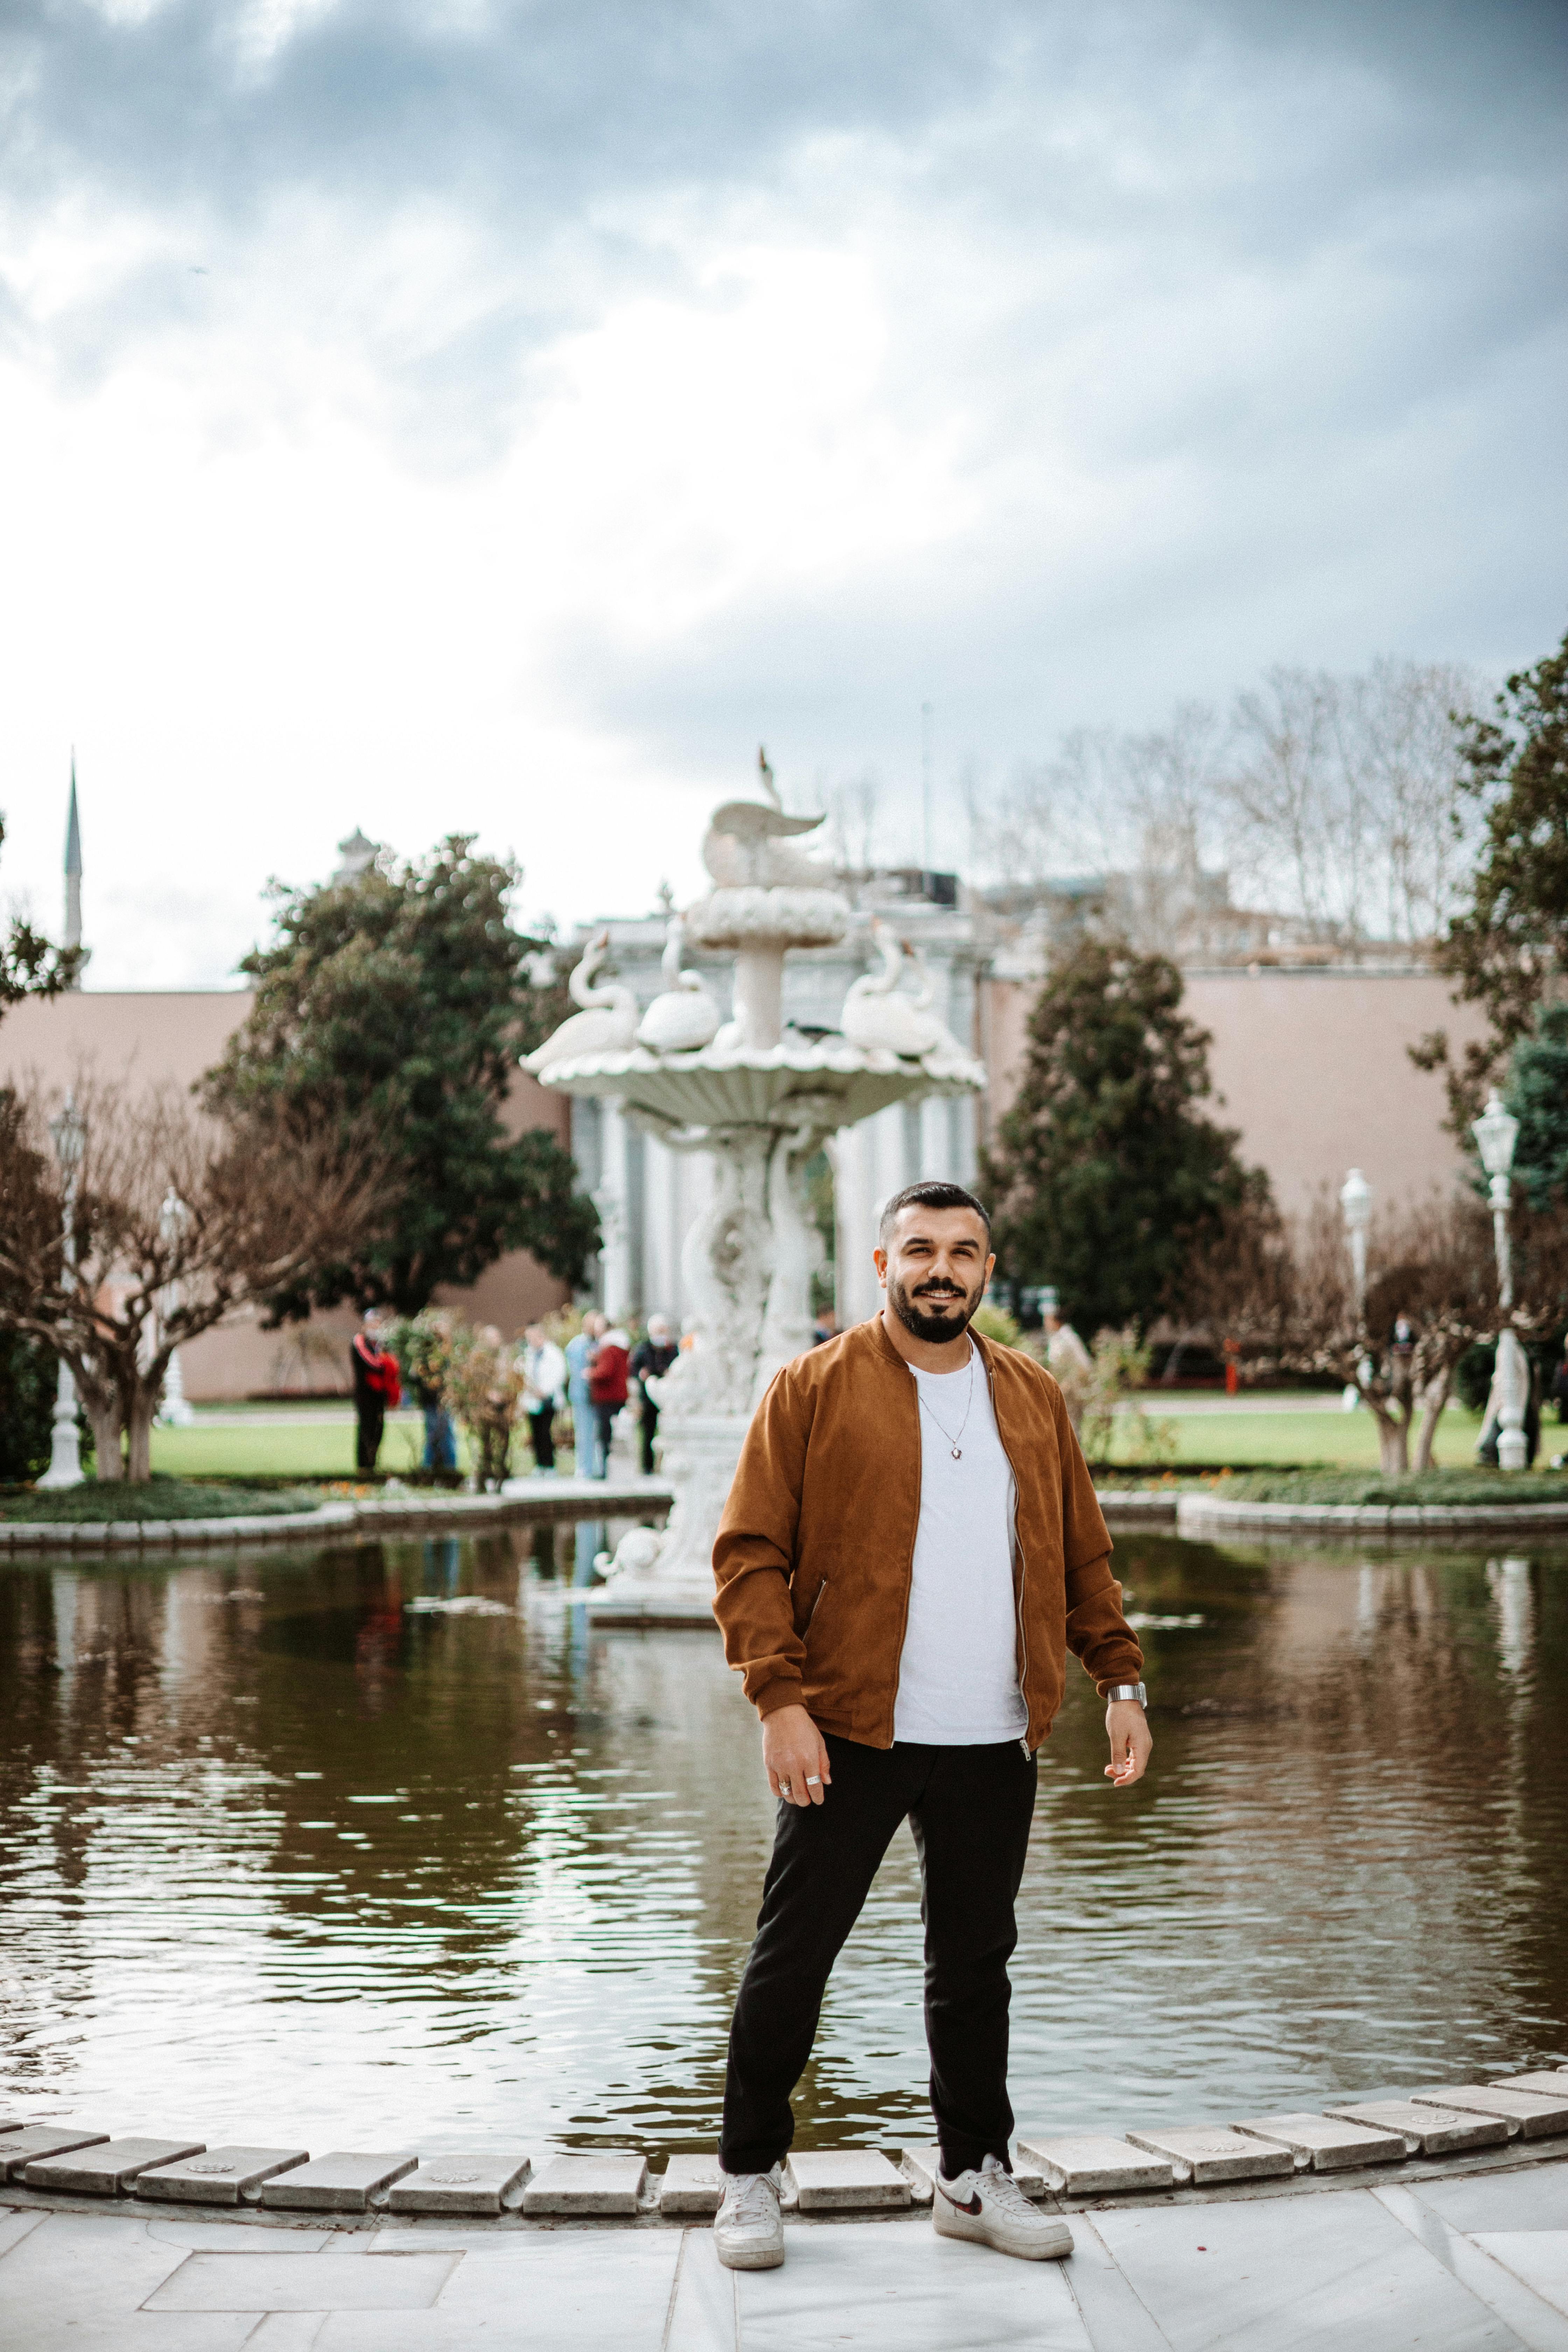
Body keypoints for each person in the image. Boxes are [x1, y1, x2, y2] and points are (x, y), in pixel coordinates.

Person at [709, 1181, 1149, 2274]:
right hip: (850, 1729)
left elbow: (1080, 1555)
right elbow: (747, 1553)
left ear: (986, 1272)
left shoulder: (1032, 1396)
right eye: (918, 1249)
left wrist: (1120, 1679)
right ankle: (747, 2175)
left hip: (994, 1735)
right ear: (880, 1264)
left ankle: (969, 2173)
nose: (939, 1268)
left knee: (973, 1965)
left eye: (961, 1251)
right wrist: (779, 1699)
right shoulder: (808, 1387)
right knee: (791, 1957)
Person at [350, 1311, 401, 1474]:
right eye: (372, 1324)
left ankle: (373, 1462)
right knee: (367, 1427)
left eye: (378, 1324)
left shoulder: (379, 1343)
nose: (375, 1327)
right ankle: (364, 1466)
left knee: (379, 1429)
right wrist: (388, 1363)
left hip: (379, 1395)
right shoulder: (360, 1341)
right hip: (366, 1394)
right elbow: (374, 1364)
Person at [629, 1315, 678, 1474]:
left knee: (670, 1432)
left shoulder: (673, 1350)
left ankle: (668, 1464)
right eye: (659, 1331)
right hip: (648, 1397)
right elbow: (633, 1370)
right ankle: (647, 1467)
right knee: (648, 1432)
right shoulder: (643, 1350)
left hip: (669, 1398)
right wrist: (641, 1375)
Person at [1041, 1290, 1092, 1436]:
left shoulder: (1068, 1338)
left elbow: (1084, 1364)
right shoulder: (1058, 1338)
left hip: (1072, 1392)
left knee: (1072, 1429)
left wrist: (1071, 1383)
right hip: (1062, 1390)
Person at [521, 1323, 567, 1475]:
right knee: (535, 1433)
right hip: (533, 1399)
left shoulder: (554, 1354)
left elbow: (559, 1375)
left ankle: (549, 1465)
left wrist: (544, 1391)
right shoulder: (529, 1354)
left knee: (546, 1432)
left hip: (548, 1399)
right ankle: (540, 1464)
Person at [564, 1312, 605, 1477]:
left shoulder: (599, 1344)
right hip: (582, 1396)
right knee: (584, 1433)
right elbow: (578, 1373)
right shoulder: (578, 1345)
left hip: (597, 1397)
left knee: (597, 1434)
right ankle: (584, 1468)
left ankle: (596, 1467)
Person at [589, 1321, 631, 1477]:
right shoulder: (621, 1349)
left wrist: (590, 1373)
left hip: (607, 1397)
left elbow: (606, 1372)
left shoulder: (609, 1350)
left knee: (606, 1435)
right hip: (619, 1395)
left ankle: (605, 1470)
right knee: (616, 1433)